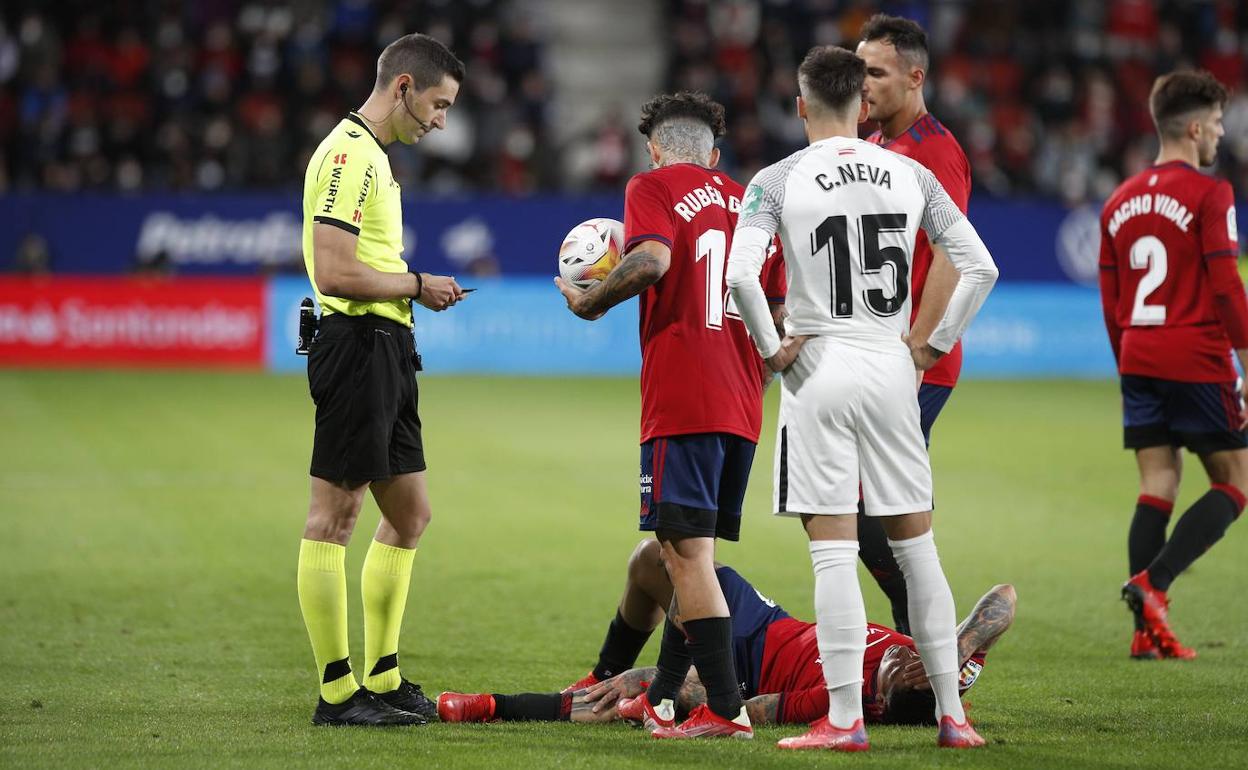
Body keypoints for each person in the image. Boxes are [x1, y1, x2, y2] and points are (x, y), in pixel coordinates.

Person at [726, 46, 998, 751]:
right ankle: (952, 716)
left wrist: (768, 347)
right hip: (889, 364)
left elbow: (742, 277)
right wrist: (933, 344)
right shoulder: (909, 171)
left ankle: (845, 720)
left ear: (799, 104)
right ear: (863, 105)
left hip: (818, 365)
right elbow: (979, 265)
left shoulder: (778, 178)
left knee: (833, 554)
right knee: (919, 548)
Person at [555, 91, 787, 740]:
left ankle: (725, 709)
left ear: (655, 150)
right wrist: (750, 382)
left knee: (685, 558)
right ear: (714, 155)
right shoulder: (753, 202)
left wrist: (591, 303)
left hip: (683, 399)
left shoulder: (651, 186)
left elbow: (653, 260)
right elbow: (781, 313)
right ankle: (658, 698)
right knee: (685, 554)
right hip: (741, 404)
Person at [296, 33, 468, 727]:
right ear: (403, 87)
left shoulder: (376, 159)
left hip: (389, 347)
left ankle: (384, 674)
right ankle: (338, 694)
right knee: (334, 518)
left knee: (410, 515)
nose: (442, 121)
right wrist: (416, 282)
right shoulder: (346, 153)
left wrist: (410, 293)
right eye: (439, 104)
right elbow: (333, 270)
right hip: (357, 343)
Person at [436, 539, 1016, 727]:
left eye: (894, 675)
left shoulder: (850, 697)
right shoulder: (948, 670)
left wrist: (671, 685)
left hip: (745, 668)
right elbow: (1004, 599)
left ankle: (492, 705)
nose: (898, 661)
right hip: (766, 622)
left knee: (641, 697)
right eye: (906, 662)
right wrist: (957, 646)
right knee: (650, 560)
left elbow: (756, 707)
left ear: (884, 699)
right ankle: (605, 672)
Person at [1098, 69, 1248, 661]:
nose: (1219, 135)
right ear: (1192, 127)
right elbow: (1226, 287)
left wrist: (1125, 367)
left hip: (1138, 352)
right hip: (1197, 355)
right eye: (1214, 124)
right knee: (1236, 482)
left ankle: (1144, 633)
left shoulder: (1117, 201)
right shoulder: (1212, 194)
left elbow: (1112, 308)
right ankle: (1153, 586)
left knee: (1157, 484)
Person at [855, 13, 974, 637]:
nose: (863, 85)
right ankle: (927, 654)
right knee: (876, 513)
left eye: (875, 72)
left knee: (867, 512)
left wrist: (922, 346)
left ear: (914, 76)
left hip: (913, 366)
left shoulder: (936, 154)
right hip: (874, 361)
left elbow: (954, 252)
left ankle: (933, 648)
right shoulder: (871, 148)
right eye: (858, 72)